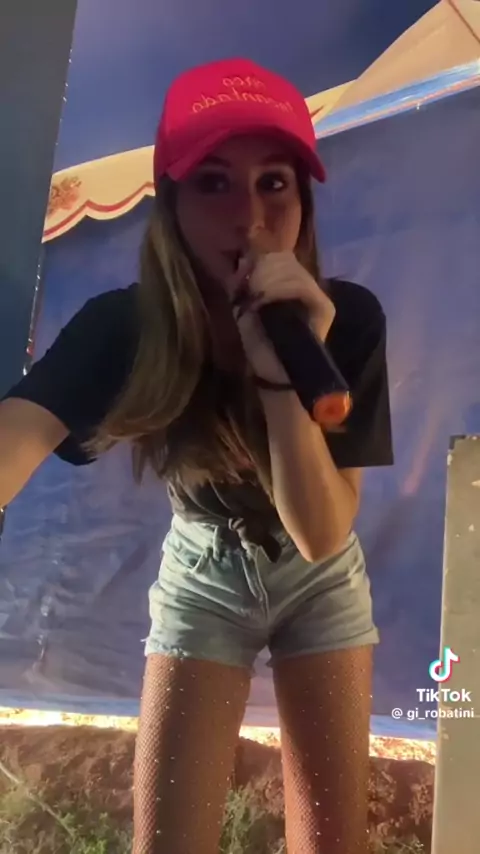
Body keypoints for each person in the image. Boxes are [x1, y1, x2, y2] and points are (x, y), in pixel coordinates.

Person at [0, 57, 393, 854]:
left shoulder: (347, 319)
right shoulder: (126, 327)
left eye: (274, 183)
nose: (249, 215)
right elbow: (17, 433)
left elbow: (323, 533)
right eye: (213, 183)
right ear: (171, 205)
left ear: (303, 201)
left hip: (320, 578)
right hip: (203, 572)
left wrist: (280, 372)